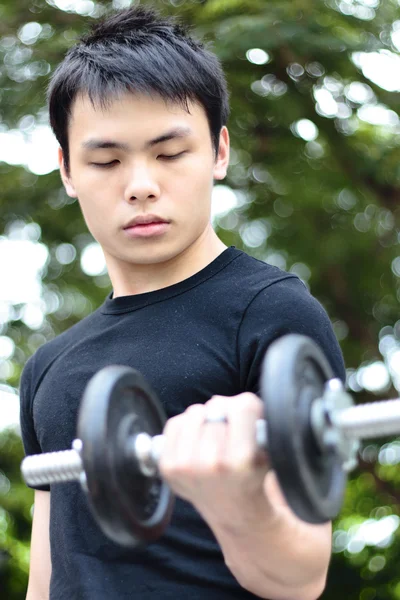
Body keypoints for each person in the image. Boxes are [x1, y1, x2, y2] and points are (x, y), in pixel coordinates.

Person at [19, 5, 345, 600]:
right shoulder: (48, 368)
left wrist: (237, 501)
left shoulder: (272, 313)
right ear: (67, 170)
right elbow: (47, 577)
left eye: (170, 153)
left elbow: (302, 580)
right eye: (106, 160)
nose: (141, 183)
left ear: (219, 152)